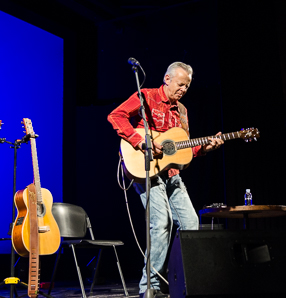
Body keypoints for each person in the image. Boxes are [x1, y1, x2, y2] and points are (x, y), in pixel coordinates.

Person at [107, 62, 224, 297]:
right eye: (181, 84)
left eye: (187, 86)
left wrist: (206, 148)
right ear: (167, 79)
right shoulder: (146, 96)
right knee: (161, 224)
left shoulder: (182, 111)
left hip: (171, 174)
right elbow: (116, 115)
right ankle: (149, 287)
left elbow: (182, 150)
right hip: (145, 169)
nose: (184, 90)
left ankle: (184, 280)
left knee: (191, 224)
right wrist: (140, 141)